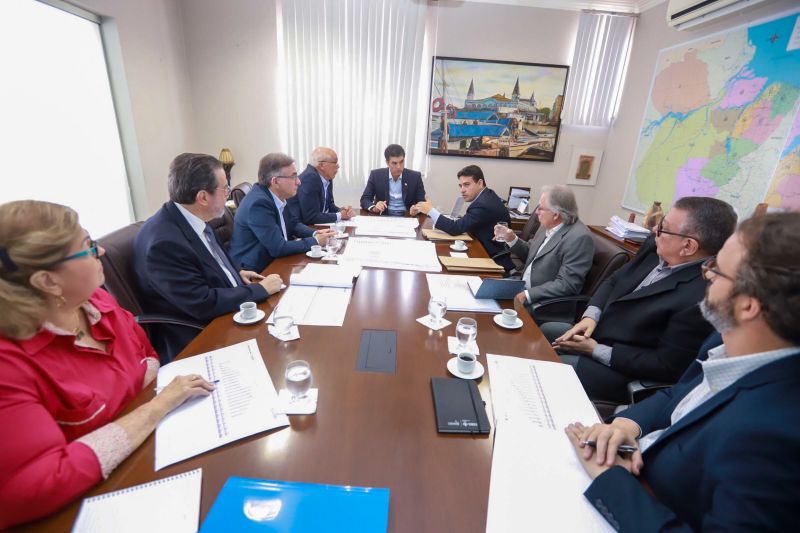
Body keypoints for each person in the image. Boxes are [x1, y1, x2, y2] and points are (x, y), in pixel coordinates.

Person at [565, 212, 800, 531]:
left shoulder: (779, 437)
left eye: (716, 270)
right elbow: (680, 392)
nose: (706, 275)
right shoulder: (723, 337)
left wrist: (610, 479)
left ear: (748, 305)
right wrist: (627, 425)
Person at [0, 200, 216, 528]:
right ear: (48, 282)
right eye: (87, 247)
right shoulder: (9, 364)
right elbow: (33, 488)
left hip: (152, 452)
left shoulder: (94, 300)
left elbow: (146, 356)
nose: (100, 251)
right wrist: (157, 406)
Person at [547, 196, 737, 403]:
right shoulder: (656, 246)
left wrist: (595, 350)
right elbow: (614, 280)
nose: (655, 230)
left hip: (623, 369)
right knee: (547, 330)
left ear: (688, 246)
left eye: (663, 227)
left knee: (555, 366)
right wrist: (590, 317)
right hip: (599, 331)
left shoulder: (702, 297)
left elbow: (665, 365)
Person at [134, 153, 283, 361]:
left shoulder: (192, 217)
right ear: (203, 197)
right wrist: (260, 289)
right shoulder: (164, 243)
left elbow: (207, 262)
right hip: (202, 334)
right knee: (279, 351)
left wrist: (235, 273)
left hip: (226, 306)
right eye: (225, 189)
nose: (228, 195)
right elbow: (201, 303)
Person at [494, 185, 594, 315]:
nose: (536, 212)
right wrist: (512, 238)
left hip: (544, 304)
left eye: (540, 208)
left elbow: (567, 284)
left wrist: (528, 294)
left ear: (556, 214)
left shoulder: (579, 238)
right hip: (521, 287)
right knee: (481, 295)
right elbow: (531, 254)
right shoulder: (547, 225)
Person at [228, 152, 335, 273]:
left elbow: (293, 224)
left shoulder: (278, 195)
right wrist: (315, 241)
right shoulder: (258, 204)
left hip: (274, 260)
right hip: (256, 270)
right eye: (293, 176)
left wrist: (316, 233)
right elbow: (278, 248)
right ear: (275, 181)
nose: (299, 182)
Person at [414, 165, 513, 271]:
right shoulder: (487, 195)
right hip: (482, 248)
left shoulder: (483, 204)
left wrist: (430, 210)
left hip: (492, 258)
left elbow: (455, 228)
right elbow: (466, 222)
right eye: (460, 186)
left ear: (480, 183)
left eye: (466, 185)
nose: (462, 190)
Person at [289, 147, 355, 225]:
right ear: (321, 165)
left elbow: (328, 205)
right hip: (300, 229)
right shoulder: (310, 178)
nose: (338, 166)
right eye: (335, 162)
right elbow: (311, 217)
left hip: (316, 226)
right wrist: (340, 216)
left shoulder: (327, 177)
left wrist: (340, 210)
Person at [360, 144, 426, 216]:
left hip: (407, 216)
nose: (399, 167)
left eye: (401, 162)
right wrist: (374, 208)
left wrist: (417, 209)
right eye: (394, 163)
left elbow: (422, 201)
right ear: (387, 163)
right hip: (384, 216)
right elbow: (365, 199)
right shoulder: (376, 175)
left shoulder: (415, 177)